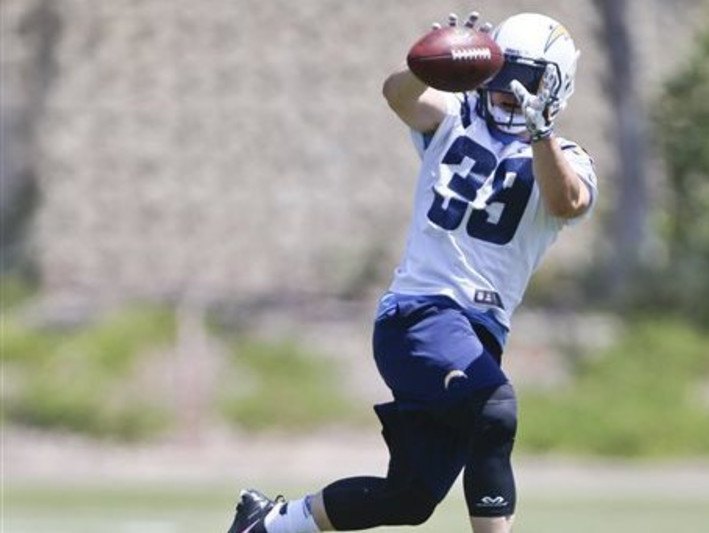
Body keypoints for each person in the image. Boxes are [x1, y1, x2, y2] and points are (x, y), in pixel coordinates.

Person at [226, 10, 597, 533]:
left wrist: (541, 136)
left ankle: (269, 524)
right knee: (495, 409)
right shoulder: (456, 116)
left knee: (410, 497)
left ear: (556, 85)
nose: (510, 89)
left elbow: (566, 201)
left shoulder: (566, 158)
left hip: (479, 336)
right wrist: (437, 59)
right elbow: (398, 95)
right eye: (502, 72)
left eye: (527, 78)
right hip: (421, 314)